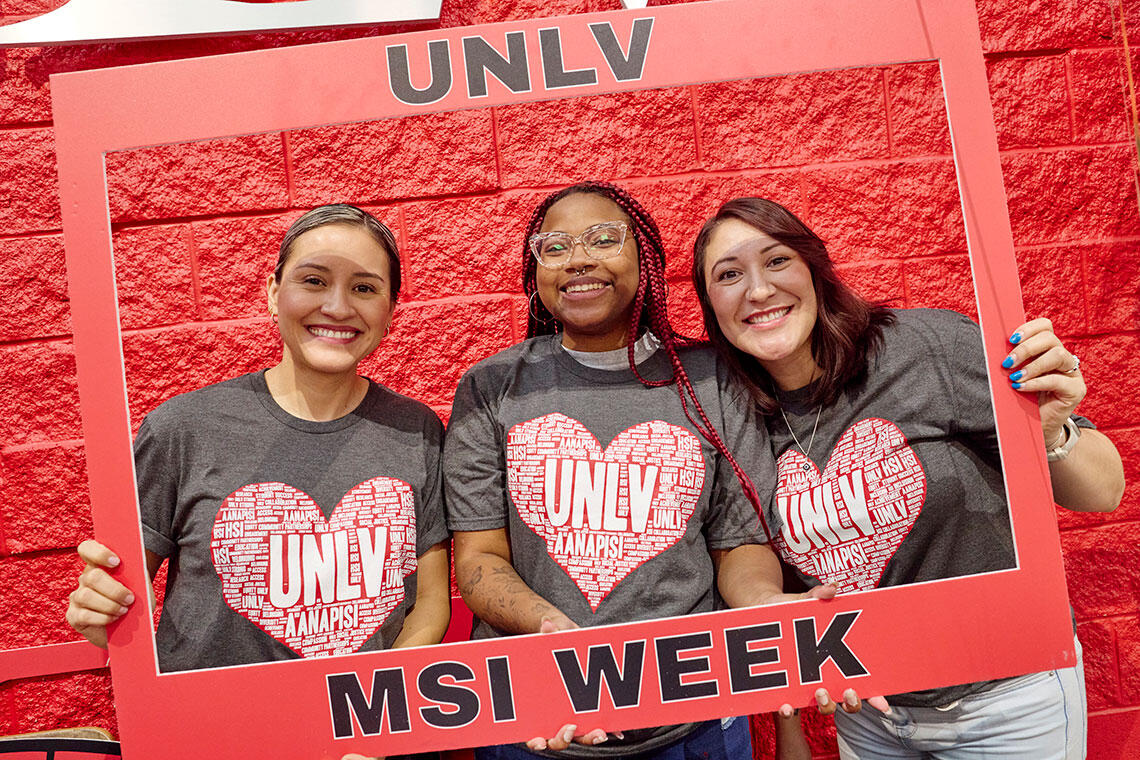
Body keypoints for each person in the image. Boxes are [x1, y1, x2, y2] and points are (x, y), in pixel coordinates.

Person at [691, 196, 1125, 760]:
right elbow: (743, 544)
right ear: (710, 304)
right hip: (871, 712)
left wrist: (1048, 434)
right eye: (729, 274)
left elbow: (1104, 492)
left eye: (776, 261)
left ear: (814, 268)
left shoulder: (927, 348)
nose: (758, 290)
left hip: (1005, 698)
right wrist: (770, 606)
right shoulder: (730, 413)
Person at [444, 181, 847, 760]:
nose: (578, 259)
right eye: (554, 247)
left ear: (645, 258)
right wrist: (549, 628)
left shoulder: (710, 379)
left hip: (695, 722)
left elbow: (738, 544)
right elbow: (479, 558)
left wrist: (762, 602)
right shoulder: (491, 387)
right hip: (536, 716)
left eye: (604, 239)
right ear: (536, 272)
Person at [65, 203, 451, 676]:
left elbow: (430, 603)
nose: (337, 307)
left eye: (365, 288)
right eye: (314, 281)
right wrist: (103, 611)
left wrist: (376, 703)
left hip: (359, 719)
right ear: (273, 293)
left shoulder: (416, 430)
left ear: (390, 311)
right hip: (209, 719)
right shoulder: (181, 429)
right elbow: (120, 596)